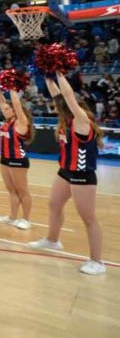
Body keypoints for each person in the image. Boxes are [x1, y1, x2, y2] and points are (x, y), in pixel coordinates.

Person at [29, 72, 106, 275]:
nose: (57, 106)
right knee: (54, 205)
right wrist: (46, 76)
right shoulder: (67, 121)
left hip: (82, 174)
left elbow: (68, 97)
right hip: (65, 171)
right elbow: (59, 96)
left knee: (88, 217)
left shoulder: (82, 121)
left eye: (61, 105)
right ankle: (52, 240)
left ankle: (97, 261)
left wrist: (58, 72)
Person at [0, 88, 33, 229]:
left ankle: (26, 219)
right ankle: (12, 217)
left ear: (15, 110)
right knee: (11, 190)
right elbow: (1, 102)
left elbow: (16, 103)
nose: (4, 111)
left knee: (22, 191)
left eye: (7, 109)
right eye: (3, 109)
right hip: (4, 159)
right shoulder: (8, 122)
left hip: (18, 160)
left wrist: (11, 87)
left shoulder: (21, 122)